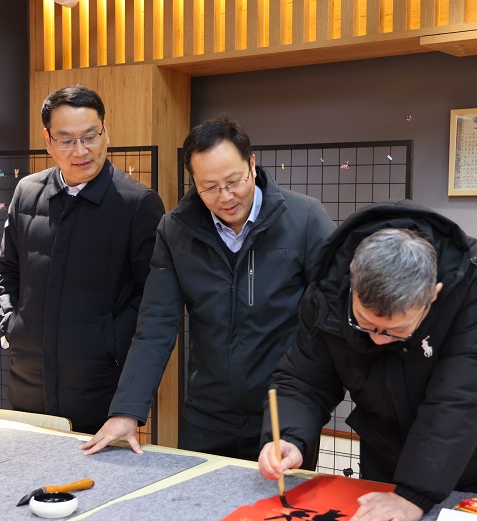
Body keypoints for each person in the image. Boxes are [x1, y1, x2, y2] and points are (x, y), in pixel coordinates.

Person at [258, 202, 477, 521]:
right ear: (353, 280)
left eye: (395, 331)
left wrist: (414, 493)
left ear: (433, 296)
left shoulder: (475, 280)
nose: (378, 340)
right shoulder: (329, 287)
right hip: (388, 450)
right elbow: (304, 378)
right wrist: (290, 436)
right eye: (364, 323)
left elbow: (461, 398)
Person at [80, 116, 335, 460]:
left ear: (252, 164)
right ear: (194, 182)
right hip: (207, 412)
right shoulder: (175, 230)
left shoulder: (305, 218)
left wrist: (308, 405)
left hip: (282, 409)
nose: (226, 197)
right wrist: (126, 410)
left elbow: (330, 315)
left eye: (234, 181)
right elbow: (156, 324)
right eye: (210, 187)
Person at [0, 85, 165, 433]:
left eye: (90, 136)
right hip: (28, 380)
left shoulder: (137, 203)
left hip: (99, 386)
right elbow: (8, 270)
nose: (81, 150)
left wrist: (109, 343)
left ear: (106, 133)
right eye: (66, 140)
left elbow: (152, 297)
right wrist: (10, 325)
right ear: (48, 141)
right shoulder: (26, 192)